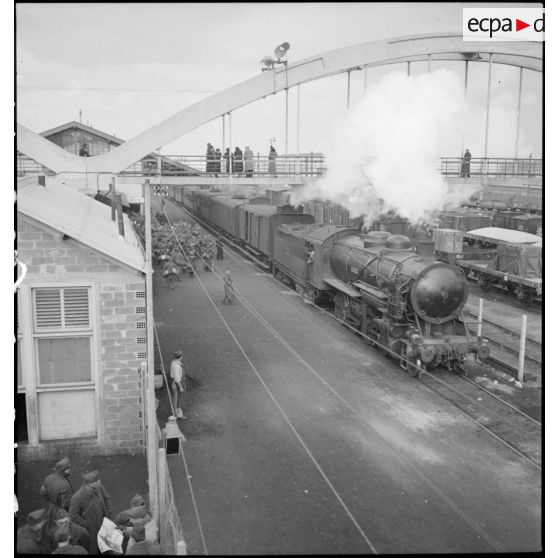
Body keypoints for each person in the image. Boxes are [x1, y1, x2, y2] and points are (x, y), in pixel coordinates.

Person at [69, 470, 113, 554]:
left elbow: (107, 498)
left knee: (107, 547)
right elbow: (73, 516)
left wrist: (109, 511)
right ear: (89, 484)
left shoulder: (99, 487)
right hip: (92, 531)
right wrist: (87, 524)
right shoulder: (77, 497)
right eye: (96, 481)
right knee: (94, 549)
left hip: (104, 524)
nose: (99, 482)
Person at [40, 456, 74, 531]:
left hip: (51, 508)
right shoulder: (65, 485)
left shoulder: (48, 478)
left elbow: (43, 492)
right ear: (64, 470)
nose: (70, 470)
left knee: (51, 526)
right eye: (68, 468)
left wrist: (51, 501)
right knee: (63, 530)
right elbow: (66, 504)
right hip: (61, 513)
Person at [170, 351, 185, 418]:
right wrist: (181, 387)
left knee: (177, 398)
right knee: (176, 398)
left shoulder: (174, 362)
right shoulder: (176, 366)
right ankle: (177, 415)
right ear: (181, 357)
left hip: (177, 381)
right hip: (177, 383)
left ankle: (177, 412)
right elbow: (176, 378)